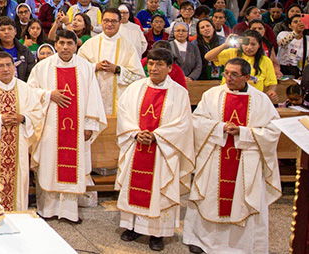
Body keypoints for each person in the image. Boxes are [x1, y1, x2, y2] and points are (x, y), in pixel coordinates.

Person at [183, 57, 281, 254]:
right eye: (226, 72)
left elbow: (272, 131)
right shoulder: (212, 95)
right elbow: (197, 121)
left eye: (234, 74)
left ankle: (241, 246)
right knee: (209, 196)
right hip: (215, 155)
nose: (228, 78)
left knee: (242, 200)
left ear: (246, 76)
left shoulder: (261, 100)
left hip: (246, 160)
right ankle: (202, 240)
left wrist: (243, 132)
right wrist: (220, 128)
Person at [114, 48, 194, 252]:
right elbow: (124, 114)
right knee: (135, 186)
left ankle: (158, 233)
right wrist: (135, 132)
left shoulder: (179, 93)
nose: (154, 68)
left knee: (160, 189)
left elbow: (183, 124)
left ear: (170, 68)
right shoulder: (135, 88)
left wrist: (156, 136)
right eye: (150, 63)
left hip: (162, 151)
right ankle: (133, 227)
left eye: (159, 64)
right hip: (137, 146)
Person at [28, 30, 107, 223]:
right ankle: (47, 210)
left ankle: (70, 211)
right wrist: (48, 95)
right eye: (61, 43)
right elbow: (29, 92)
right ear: (56, 44)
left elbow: (93, 97)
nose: (65, 47)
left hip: (76, 130)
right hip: (49, 128)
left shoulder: (86, 68)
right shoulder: (43, 67)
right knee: (49, 165)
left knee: (72, 166)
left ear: (76, 45)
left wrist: (89, 124)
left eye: (69, 43)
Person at [0, 52, 49, 211]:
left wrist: (22, 118)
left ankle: (18, 216)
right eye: (1, 65)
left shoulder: (25, 88)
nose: (6, 69)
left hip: (18, 145)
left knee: (17, 182)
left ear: (14, 67)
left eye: (9, 65)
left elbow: (37, 112)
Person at [78, 9, 145, 115]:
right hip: (93, 98)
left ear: (120, 23)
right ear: (101, 21)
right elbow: (78, 70)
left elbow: (139, 77)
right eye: (106, 21)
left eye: (114, 21)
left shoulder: (128, 47)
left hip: (119, 101)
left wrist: (117, 69)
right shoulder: (90, 44)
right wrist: (95, 66)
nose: (109, 24)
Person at [204, 30, 279, 97]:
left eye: (253, 44)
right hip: (229, 95)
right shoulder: (233, 52)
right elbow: (208, 57)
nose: (249, 47)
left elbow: (272, 82)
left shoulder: (265, 60)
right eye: (246, 44)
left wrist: (271, 91)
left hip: (253, 97)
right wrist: (225, 45)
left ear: (259, 45)